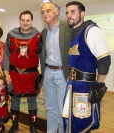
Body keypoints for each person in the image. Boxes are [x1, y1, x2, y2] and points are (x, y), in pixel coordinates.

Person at [62, 1, 111, 133]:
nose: (68, 15)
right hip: (72, 85)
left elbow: (105, 60)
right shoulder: (75, 33)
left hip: (84, 88)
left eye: (73, 12)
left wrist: (98, 86)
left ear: (82, 13)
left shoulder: (91, 31)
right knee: (72, 122)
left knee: (82, 123)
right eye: (67, 12)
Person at [4, 10, 42, 133]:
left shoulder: (38, 36)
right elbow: (6, 55)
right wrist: (6, 73)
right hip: (14, 75)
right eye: (23, 20)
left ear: (32, 21)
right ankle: (15, 125)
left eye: (28, 20)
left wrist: (43, 76)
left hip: (31, 75)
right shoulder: (11, 35)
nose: (25, 23)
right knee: (15, 101)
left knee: (32, 101)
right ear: (19, 21)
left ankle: (33, 126)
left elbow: (43, 56)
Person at [40, 1, 72, 133]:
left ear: (57, 11)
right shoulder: (44, 32)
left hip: (62, 73)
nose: (45, 14)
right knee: (50, 109)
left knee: (62, 110)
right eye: (43, 12)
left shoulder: (68, 27)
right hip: (48, 73)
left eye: (48, 11)